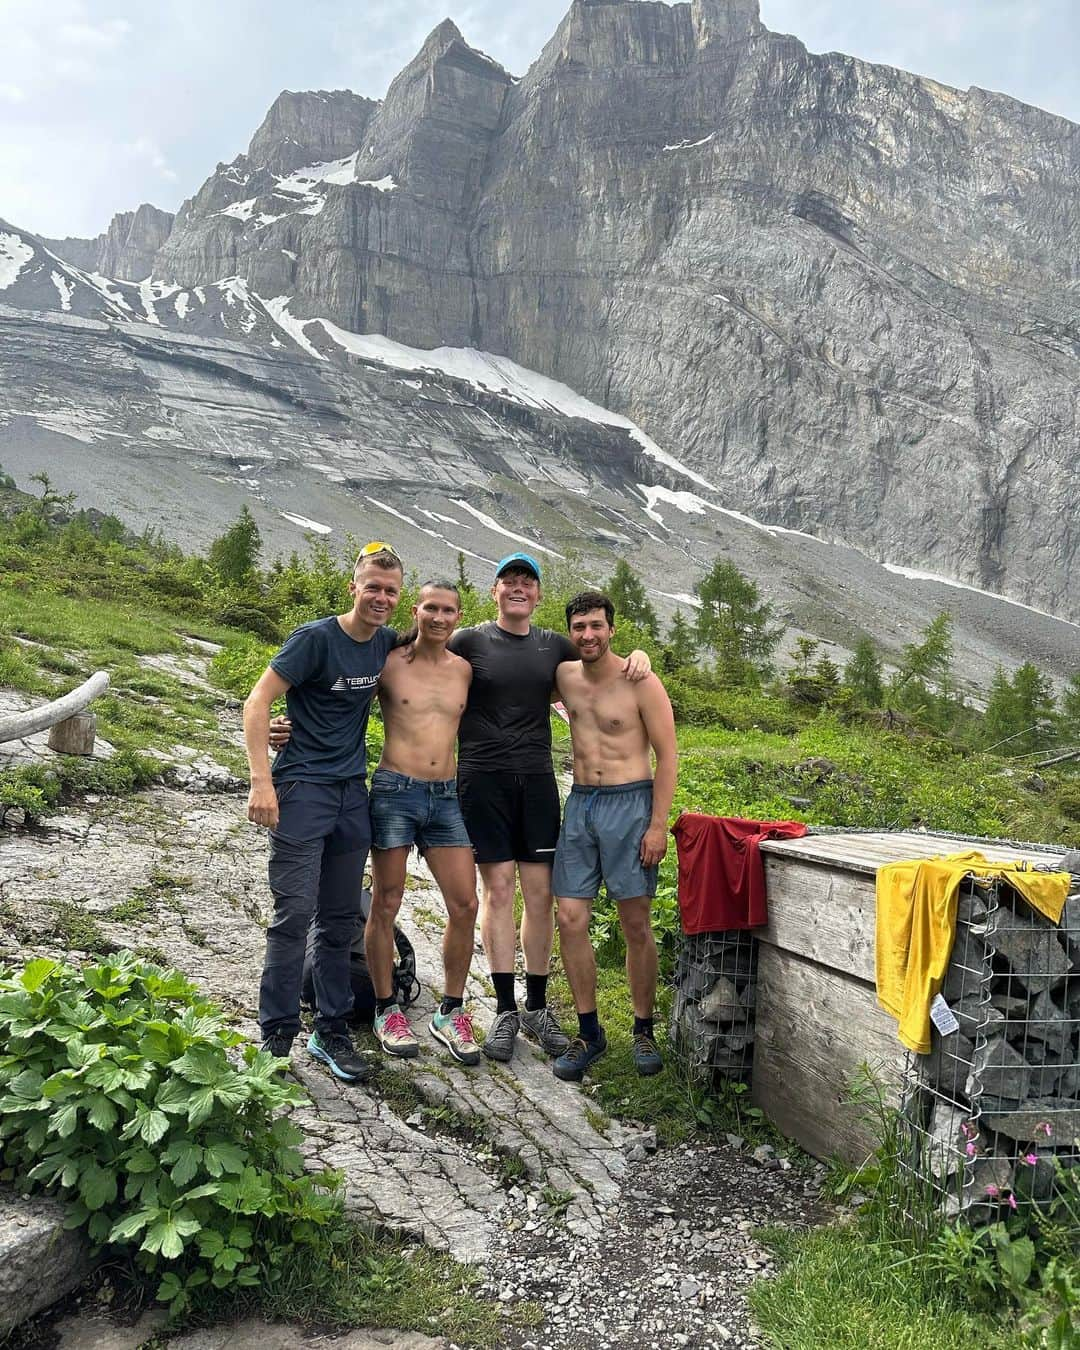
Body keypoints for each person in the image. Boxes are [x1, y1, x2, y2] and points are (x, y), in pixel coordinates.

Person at [449, 554, 651, 1063]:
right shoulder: (468, 641)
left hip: (537, 780)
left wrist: (640, 657)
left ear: (537, 596)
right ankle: (505, 1010)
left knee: (540, 895)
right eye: (509, 580)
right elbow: (416, 665)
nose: (518, 588)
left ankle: (538, 1007)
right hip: (482, 779)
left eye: (527, 581)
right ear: (493, 590)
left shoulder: (554, 646)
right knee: (497, 890)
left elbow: (600, 657)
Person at [243, 542, 403, 1082]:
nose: (380, 598)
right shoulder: (315, 638)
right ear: (353, 587)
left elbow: (445, 635)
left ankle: (330, 1030)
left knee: (338, 921)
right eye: (373, 587)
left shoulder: (385, 643)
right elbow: (258, 700)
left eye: (390, 591)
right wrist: (261, 781)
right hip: (302, 791)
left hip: (351, 794)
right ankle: (275, 1037)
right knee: (292, 916)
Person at [549, 590, 677, 1082]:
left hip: (631, 804)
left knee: (635, 922)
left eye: (597, 626)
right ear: (570, 631)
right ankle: (589, 1031)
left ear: (612, 629)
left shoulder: (641, 681)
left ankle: (643, 1029)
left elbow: (667, 756)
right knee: (570, 916)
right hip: (581, 804)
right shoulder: (562, 677)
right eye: (579, 626)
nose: (588, 635)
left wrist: (657, 823)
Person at [366, 581, 481, 1066]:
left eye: (448, 610)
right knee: (387, 899)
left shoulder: (465, 671)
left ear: (458, 616)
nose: (438, 616)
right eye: (430, 607)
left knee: (465, 902)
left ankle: (449, 1012)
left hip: (445, 796)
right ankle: (385, 1007)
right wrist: (287, 729)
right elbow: (339, 697)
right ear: (415, 611)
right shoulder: (388, 661)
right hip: (395, 790)